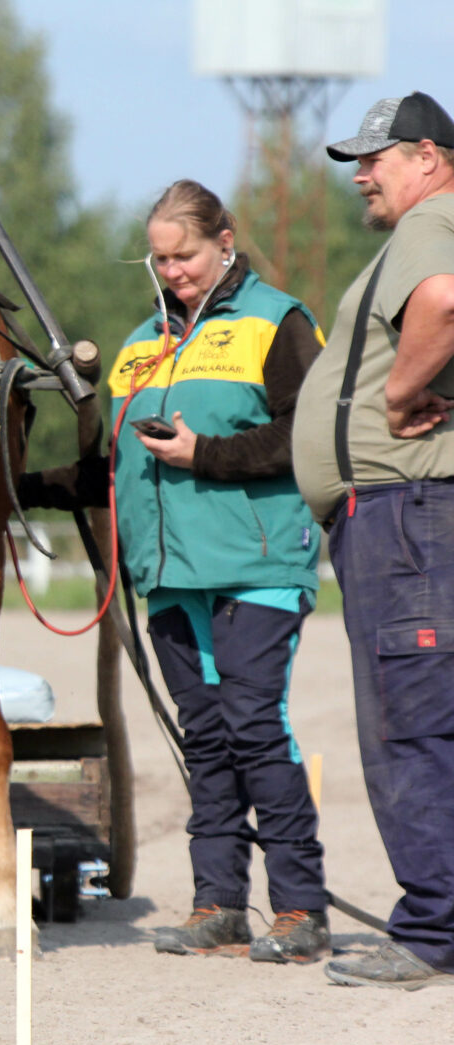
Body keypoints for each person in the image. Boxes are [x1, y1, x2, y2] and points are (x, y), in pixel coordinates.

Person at [23, 180, 331, 963]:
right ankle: (219, 902)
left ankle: (299, 907)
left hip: (256, 564)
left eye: (184, 255)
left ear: (224, 240)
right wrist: (14, 489)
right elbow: (113, 473)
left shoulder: (279, 321)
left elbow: (313, 432)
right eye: (159, 259)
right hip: (168, 576)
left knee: (255, 727)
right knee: (207, 737)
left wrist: (210, 455)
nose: (172, 271)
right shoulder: (137, 345)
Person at [293, 91, 454, 991]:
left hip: (403, 514)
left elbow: (443, 298)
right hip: (413, 513)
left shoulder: (433, 225)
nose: (362, 175)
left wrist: (398, 397)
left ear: (428, 158)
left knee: (410, 719)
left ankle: (434, 930)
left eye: (376, 157)